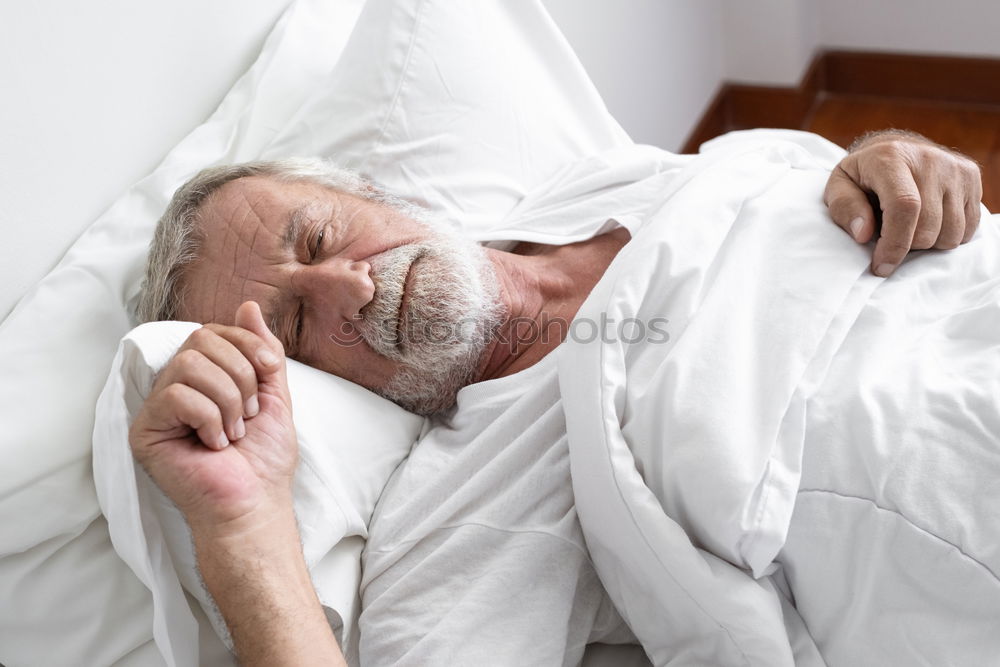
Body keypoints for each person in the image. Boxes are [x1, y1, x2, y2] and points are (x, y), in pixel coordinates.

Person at [128, 129, 982, 665]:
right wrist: (242, 530)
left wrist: (895, 163)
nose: (347, 288)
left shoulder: (606, 181)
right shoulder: (467, 506)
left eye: (318, 236)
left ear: (373, 195)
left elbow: (811, 177)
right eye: (296, 324)